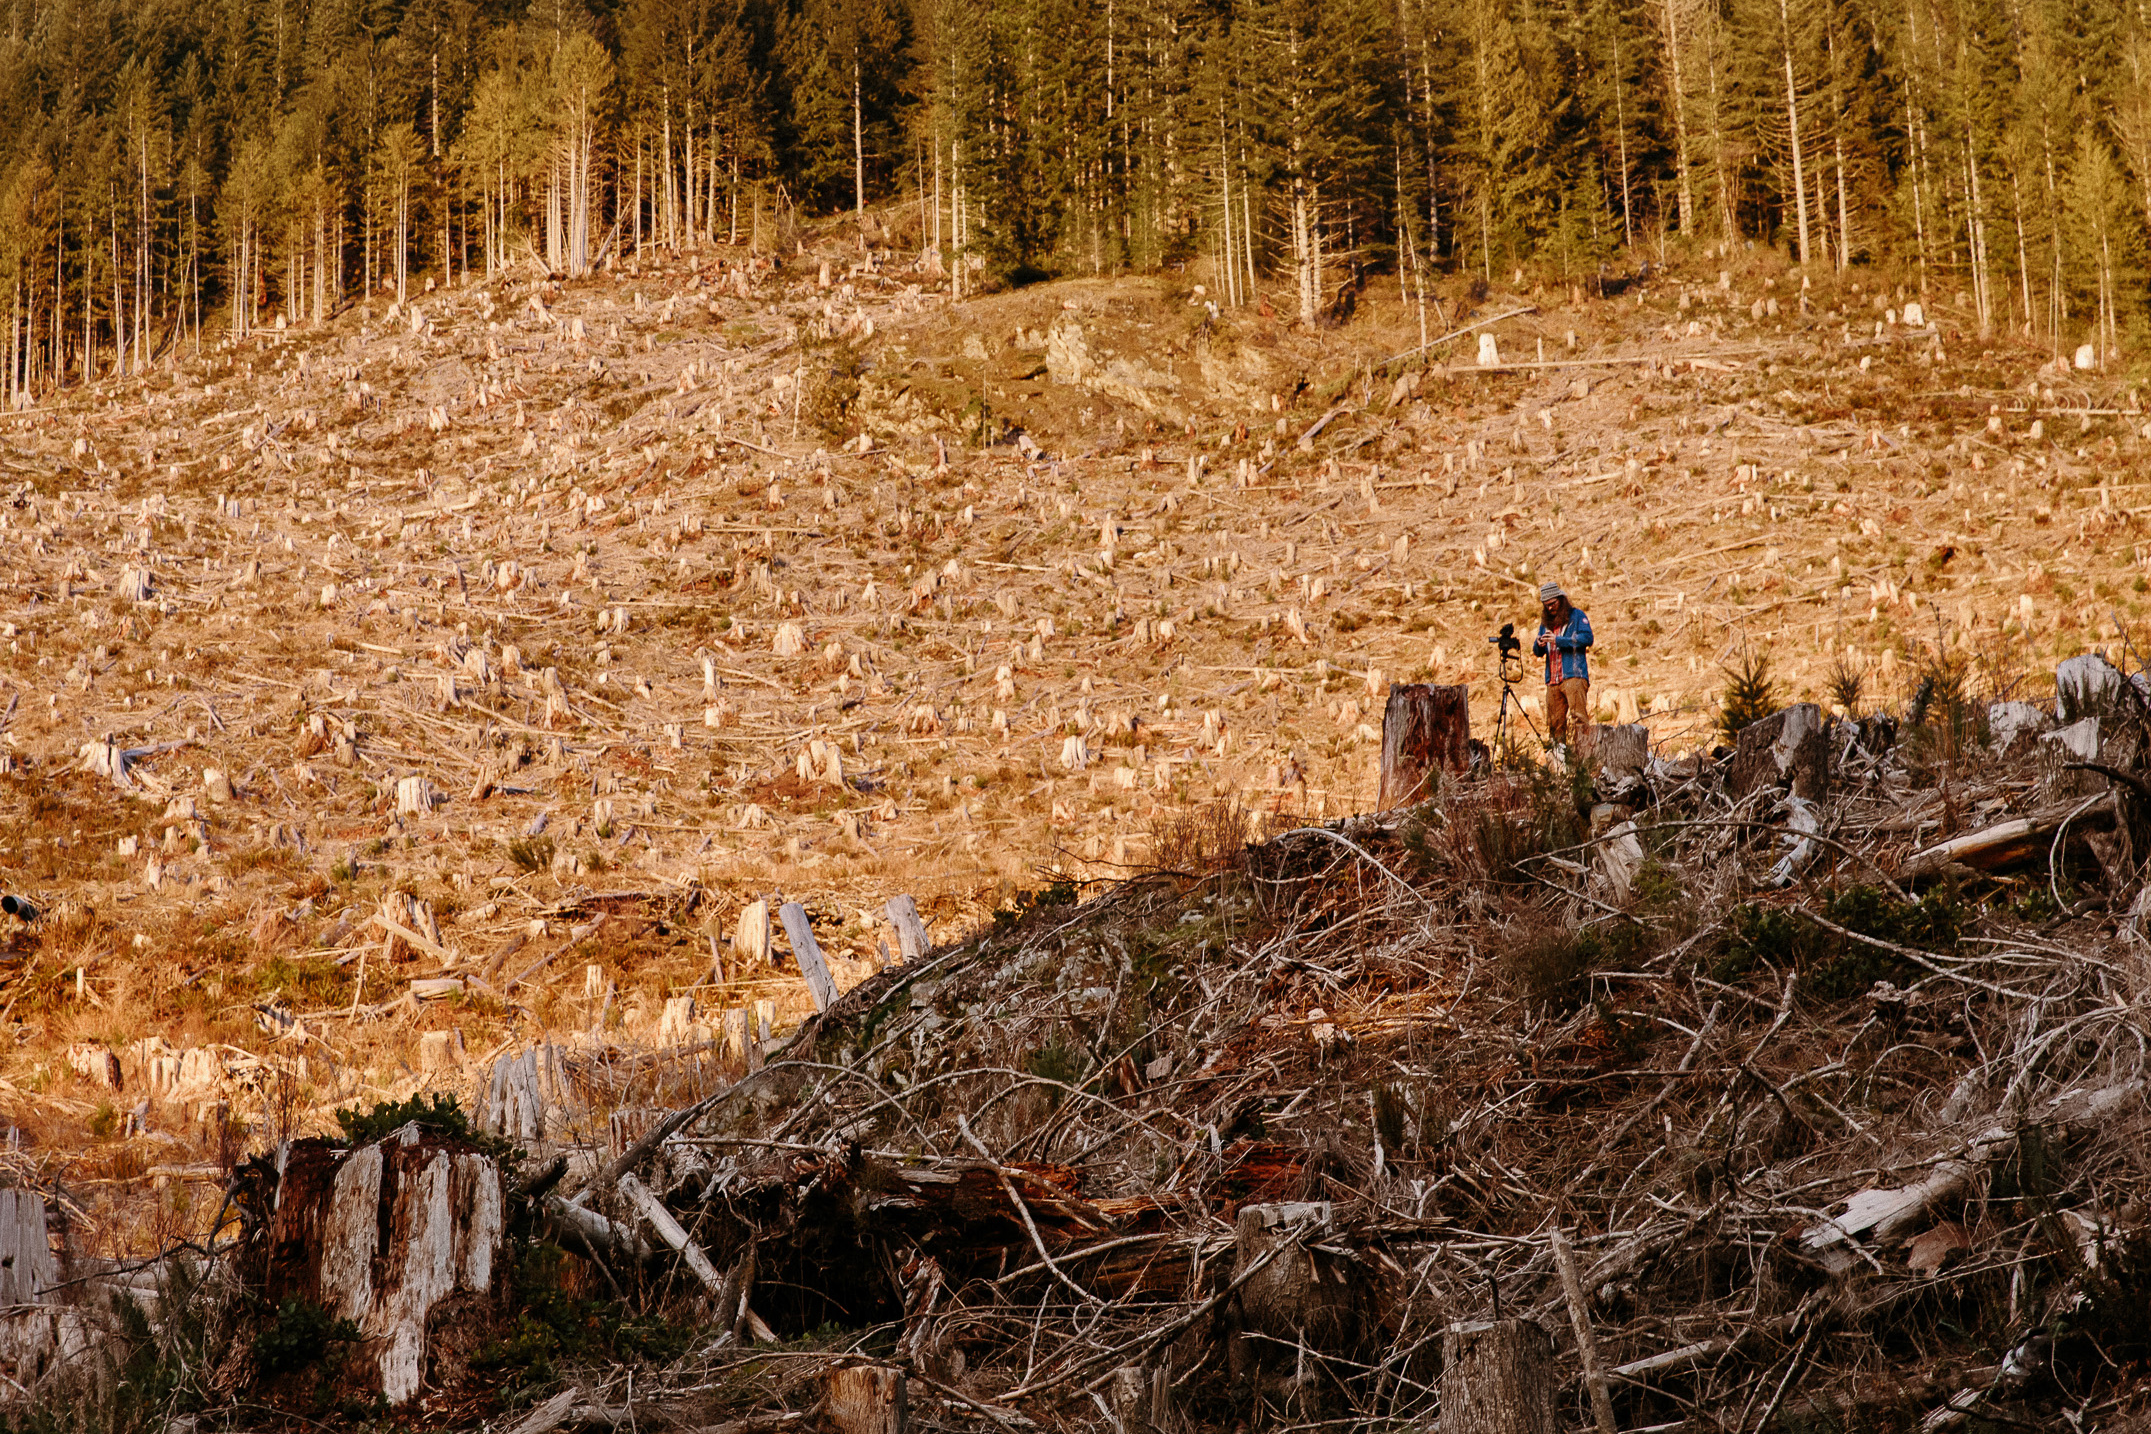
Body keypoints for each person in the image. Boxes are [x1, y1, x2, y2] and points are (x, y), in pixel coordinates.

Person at [1531, 582, 1594, 750]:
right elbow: (1537, 651)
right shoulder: (1545, 623)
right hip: (1552, 680)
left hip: (1573, 675)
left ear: (1561, 599)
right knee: (1554, 724)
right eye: (1547, 605)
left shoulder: (1576, 616)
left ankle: (1584, 760)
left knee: (1579, 719)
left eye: (1553, 603)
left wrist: (1559, 640)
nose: (1550, 608)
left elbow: (1587, 639)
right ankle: (1559, 764)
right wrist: (1540, 644)